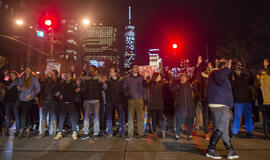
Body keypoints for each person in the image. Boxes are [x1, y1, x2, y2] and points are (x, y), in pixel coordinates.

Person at [206, 59, 239, 159]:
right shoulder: (218, 73)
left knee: (224, 129)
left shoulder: (218, 74)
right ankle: (211, 149)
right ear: (223, 67)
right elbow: (220, 78)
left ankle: (230, 150)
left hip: (221, 104)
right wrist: (227, 68)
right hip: (220, 104)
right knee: (220, 128)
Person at [81, 65, 106, 140]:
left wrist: (103, 82)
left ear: (95, 70)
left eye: (91, 69)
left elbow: (104, 87)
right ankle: (86, 133)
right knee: (86, 117)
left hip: (96, 99)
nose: (90, 70)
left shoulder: (98, 78)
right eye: (89, 69)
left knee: (96, 117)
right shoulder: (84, 78)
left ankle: (96, 133)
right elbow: (82, 89)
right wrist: (80, 83)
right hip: (87, 99)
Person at [231, 61, 254, 138]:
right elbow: (232, 86)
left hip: (247, 100)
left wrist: (251, 73)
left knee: (248, 117)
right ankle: (234, 132)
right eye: (237, 66)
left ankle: (250, 132)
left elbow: (251, 82)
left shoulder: (245, 76)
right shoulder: (232, 77)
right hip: (238, 101)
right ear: (234, 68)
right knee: (237, 117)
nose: (239, 68)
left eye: (240, 66)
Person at [123, 64, 146, 140]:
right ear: (132, 69)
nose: (136, 69)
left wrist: (145, 99)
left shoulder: (142, 78)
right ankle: (130, 134)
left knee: (140, 118)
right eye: (134, 67)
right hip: (131, 99)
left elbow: (145, 89)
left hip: (140, 99)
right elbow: (125, 88)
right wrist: (127, 95)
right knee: (130, 117)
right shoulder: (128, 79)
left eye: (137, 67)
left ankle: (140, 134)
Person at [54, 73, 80, 140]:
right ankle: (59, 133)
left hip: (71, 103)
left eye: (68, 76)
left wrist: (78, 89)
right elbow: (55, 91)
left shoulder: (73, 84)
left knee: (72, 119)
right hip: (63, 103)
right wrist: (59, 95)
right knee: (61, 119)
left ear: (70, 77)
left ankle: (74, 133)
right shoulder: (61, 84)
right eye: (66, 76)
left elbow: (77, 91)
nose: (67, 77)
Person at [17, 65, 41, 138]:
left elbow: (38, 88)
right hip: (21, 98)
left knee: (23, 114)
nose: (27, 70)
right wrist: (21, 88)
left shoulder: (34, 79)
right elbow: (18, 88)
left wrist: (31, 95)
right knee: (25, 114)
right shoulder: (21, 78)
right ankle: (28, 129)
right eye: (26, 69)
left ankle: (21, 129)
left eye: (29, 69)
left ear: (31, 71)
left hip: (29, 99)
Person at [169, 74, 195, 141]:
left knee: (189, 122)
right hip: (180, 107)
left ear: (187, 79)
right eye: (181, 78)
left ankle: (189, 135)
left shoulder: (190, 85)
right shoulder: (178, 86)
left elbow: (197, 88)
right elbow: (171, 90)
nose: (182, 79)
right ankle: (177, 135)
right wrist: (172, 82)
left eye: (184, 78)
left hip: (189, 107)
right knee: (178, 121)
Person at [106, 66, 126, 138]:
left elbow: (123, 91)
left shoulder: (120, 81)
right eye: (110, 72)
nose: (110, 73)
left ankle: (123, 131)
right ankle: (110, 132)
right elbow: (104, 89)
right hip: (110, 102)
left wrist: (123, 100)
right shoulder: (108, 81)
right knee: (109, 117)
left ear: (115, 73)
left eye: (111, 71)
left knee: (121, 117)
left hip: (119, 101)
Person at [144, 72, 166, 139]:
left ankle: (163, 132)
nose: (160, 77)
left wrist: (155, 82)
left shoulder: (161, 83)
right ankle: (154, 133)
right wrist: (145, 78)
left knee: (161, 119)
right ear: (156, 77)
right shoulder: (151, 83)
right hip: (153, 105)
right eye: (159, 76)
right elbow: (145, 85)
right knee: (154, 120)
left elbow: (161, 89)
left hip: (159, 105)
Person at [38, 71, 59, 138]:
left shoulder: (48, 82)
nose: (49, 75)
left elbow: (57, 92)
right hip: (48, 101)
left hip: (49, 101)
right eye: (49, 74)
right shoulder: (46, 82)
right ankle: (47, 132)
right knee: (48, 117)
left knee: (49, 117)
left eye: (50, 74)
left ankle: (50, 132)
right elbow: (56, 93)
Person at [4, 71, 20, 136]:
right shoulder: (8, 83)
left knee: (16, 116)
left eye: (13, 75)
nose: (12, 76)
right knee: (8, 117)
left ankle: (17, 131)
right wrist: (5, 75)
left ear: (16, 76)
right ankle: (6, 131)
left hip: (15, 102)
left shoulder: (19, 83)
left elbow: (20, 92)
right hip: (8, 101)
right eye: (10, 75)